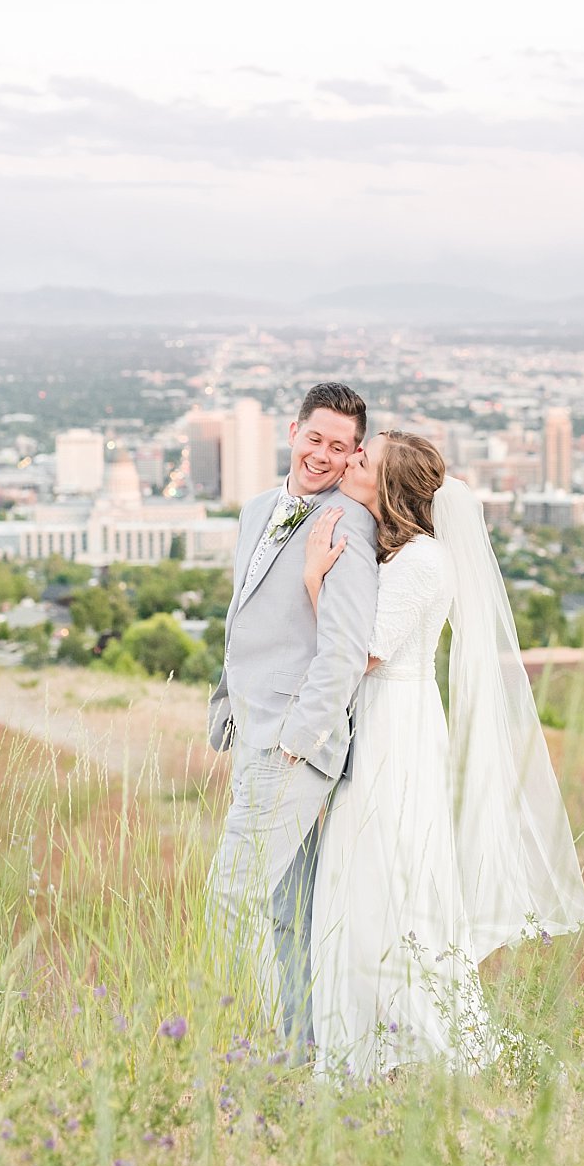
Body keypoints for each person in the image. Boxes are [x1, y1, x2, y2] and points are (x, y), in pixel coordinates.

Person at [301, 432, 584, 1078]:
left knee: (389, 868)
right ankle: (365, 1044)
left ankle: (407, 1043)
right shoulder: (398, 553)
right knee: (364, 868)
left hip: (394, 724)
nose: (350, 461)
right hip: (381, 716)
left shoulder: (424, 562)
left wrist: (314, 581)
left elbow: (366, 649)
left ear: (390, 488)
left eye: (364, 460)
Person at [204, 382, 378, 1055]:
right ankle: (299, 1051)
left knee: (232, 894)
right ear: (292, 431)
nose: (323, 455)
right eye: (315, 438)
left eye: (340, 447)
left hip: (294, 745)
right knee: (287, 912)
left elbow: (342, 653)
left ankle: (239, 1045)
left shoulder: (346, 525)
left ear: (354, 452)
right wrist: (226, 703)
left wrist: (296, 745)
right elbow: (245, 616)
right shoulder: (255, 511)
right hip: (252, 726)